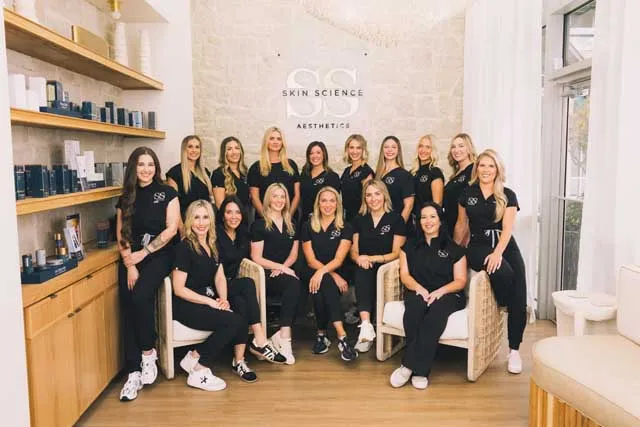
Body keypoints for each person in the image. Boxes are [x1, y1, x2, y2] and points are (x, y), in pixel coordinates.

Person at [454, 149, 527, 374]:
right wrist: (454, 253)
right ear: (477, 168)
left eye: (491, 166)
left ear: (497, 170)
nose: (486, 170)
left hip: (504, 244)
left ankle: (514, 350)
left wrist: (497, 253)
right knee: (504, 273)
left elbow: (507, 229)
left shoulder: (508, 195)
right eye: (482, 165)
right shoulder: (467, 193)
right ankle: (502, 302)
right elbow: (461, 225)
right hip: (478, 245)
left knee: (520, 290)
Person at [172, 200, 257, 391]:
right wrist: (210, 302)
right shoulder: (184, 247)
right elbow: (178, 289)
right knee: (234, 322)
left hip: (206, 301)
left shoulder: (213, 243)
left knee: (238, 315)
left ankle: (194, 357)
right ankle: (199, 369)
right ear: (189, 220)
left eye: (205, 217)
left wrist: (223, 299)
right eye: (196, 218)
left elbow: (219, 276)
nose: (201, 223)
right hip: (187, 306)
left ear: (211, 220)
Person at [116, 147, 180, 401]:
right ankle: (133, 372)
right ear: (134, 167)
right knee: (128, 301)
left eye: (150, 164)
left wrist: (144, 253)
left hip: (160, 254)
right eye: (141, 164)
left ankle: (148, 353)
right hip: (132, 258)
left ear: (156, 167)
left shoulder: (167, 193)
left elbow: (172, 229)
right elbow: (122, 234)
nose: (146, 169)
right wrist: (129, 264)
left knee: (142, 295)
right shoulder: (126, 198)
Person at [389, 202, 467, 390]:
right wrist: (420, 289)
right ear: (419, 221)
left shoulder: (454, 248)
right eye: (423, 217)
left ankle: (414, 368)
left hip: (448, 293)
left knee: (434, 316)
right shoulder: (409, 247)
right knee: (414, 310)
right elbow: (405, 276)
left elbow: (460, 280)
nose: (428, 221)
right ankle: (416, 366)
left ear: (440, 220)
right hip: (418, 291)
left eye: (433, 216)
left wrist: (440, 292)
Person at [216, 196, 287, 364]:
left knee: (242, 302)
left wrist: (277, 267)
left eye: (237, 212)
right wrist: (223, 297)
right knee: (247, 283)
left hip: (232, 284)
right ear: (222, 215)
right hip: (216, 285)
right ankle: (260, 339)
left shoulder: (242, 235)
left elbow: (253, 258)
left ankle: (239, 360)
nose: (234, 217)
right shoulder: (216, 235)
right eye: (229, 212)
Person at [301, 187, 358, 362]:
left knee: (320, 288)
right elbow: (310, 260)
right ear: (318, 203)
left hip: (335, 269)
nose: (328, 204)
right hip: (312, 270)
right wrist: (331, 275)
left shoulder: (346, 227)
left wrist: (327, 273)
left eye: (332, 200)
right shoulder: (308, 225)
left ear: (337, 204)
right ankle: (342, 336)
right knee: (324, 280)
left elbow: (339, 259)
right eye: (324, 200)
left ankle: (322, 335)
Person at [351, 179, 407, 352]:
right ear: (364, 198)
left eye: (377, 194)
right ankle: (366, 328)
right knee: (362, 272)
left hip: (388, 267)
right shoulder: (359, 219)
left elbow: (397, 252)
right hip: (365, 265)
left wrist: (374, 258)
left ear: (384, 196)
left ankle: (371, 328)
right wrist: (359, 259)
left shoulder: (396, 219)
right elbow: (353, 251)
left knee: (370, 271)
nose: (373, 198)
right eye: (369, 195)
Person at [250, 183, 302, 364]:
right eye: (275, 196)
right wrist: (280, 268)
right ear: (268, 199)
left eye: (283, 197)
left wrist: (282, 268)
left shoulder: (292, 224)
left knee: (296, 284)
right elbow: (256, 257)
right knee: (293, 283)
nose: (279, 200)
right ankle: (284, 339)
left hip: (282, 272)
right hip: (264, 274)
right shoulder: (259, 224)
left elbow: (293, 255)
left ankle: (283, 336)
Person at [248, 126, 300, 219]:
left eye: (279, 139)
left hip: (289, 219)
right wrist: (267, 219)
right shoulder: (256, 167)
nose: (275, 142)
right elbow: (255, 197)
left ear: (282, 143)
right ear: (266, 141)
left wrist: (288, 217)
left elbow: (297, 195)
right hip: (264, 219)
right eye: (271, 138)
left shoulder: (291, 165)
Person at [166, 135, 212, 219]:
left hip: (205, 220)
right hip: (186, 221)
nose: (194, 150)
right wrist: (181, 225)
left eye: (197, 147)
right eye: (190, 147)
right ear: (184, 149)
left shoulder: (205, 172)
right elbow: (173, 206)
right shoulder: (174, 173)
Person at [443, 133, 476, 237]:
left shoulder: (474, 170)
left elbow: (473, 207)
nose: (456, 150)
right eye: (453, 147)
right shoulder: (456, 174)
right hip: (451, 226)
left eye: (461, 146)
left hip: (464, 230)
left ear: (469, 149)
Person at [375, 135, 414, 223]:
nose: (390, 150)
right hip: (381, 223)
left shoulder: (405, 175)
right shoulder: (377, 175)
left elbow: (409, 206)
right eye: (386, 147)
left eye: (393, 147)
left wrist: (399, 226)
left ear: (398, 150)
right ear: (382, 150)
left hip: (397, 224)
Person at [300, 141, 341, 221]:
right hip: (305, 221)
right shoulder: (304, 174)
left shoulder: (332, 177)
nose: (315, 156)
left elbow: (334, 204)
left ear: (324, 155)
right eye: (311, 153)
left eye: (318, 152)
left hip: (322, 221)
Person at [340, 134, 374, 222]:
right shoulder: (347, 170)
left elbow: (370, 201)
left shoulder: (366, 172)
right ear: (347, 149)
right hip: (347, 217)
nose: (354, 151)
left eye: (358, 148)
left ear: (363, 150)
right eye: (351, 147)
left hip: (361, 218)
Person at [411, 134, 444, 224]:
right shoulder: (413, 172)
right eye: (421, 146)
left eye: (428, 147)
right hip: (413, 222)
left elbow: (437, 204)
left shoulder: (435, 172)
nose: (423, 150)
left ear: (433, 150)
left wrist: (429, 223)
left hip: (427, 222)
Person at [211, 136, 250, 213]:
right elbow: (220, 205)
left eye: (237, 148)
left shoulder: (245, 173)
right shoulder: (218, 174)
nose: (234, 152)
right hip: (229, 218)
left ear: (241, 151)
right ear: (224, 153)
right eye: (229, 149)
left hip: (244, 217)